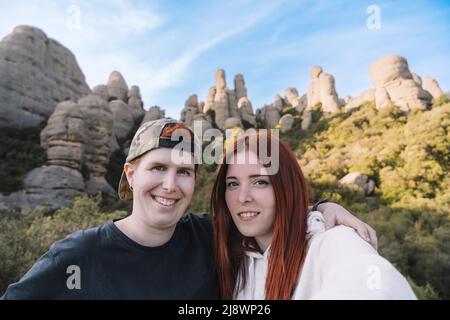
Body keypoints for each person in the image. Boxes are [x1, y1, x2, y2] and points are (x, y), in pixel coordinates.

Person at [2, 118, 377, 299]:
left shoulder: (210, 234)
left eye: (184, 172)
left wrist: (325, 206)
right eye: (158, 168)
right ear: (131, 173)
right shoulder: (80, 255)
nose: (170, 185)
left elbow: (262, 209)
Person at [211, 130, 417, 299]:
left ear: (286, 187)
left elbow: (378, 284)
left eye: (260, 182)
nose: (242, 197)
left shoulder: (332, 238)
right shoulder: (232, 252)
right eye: (233, 184)